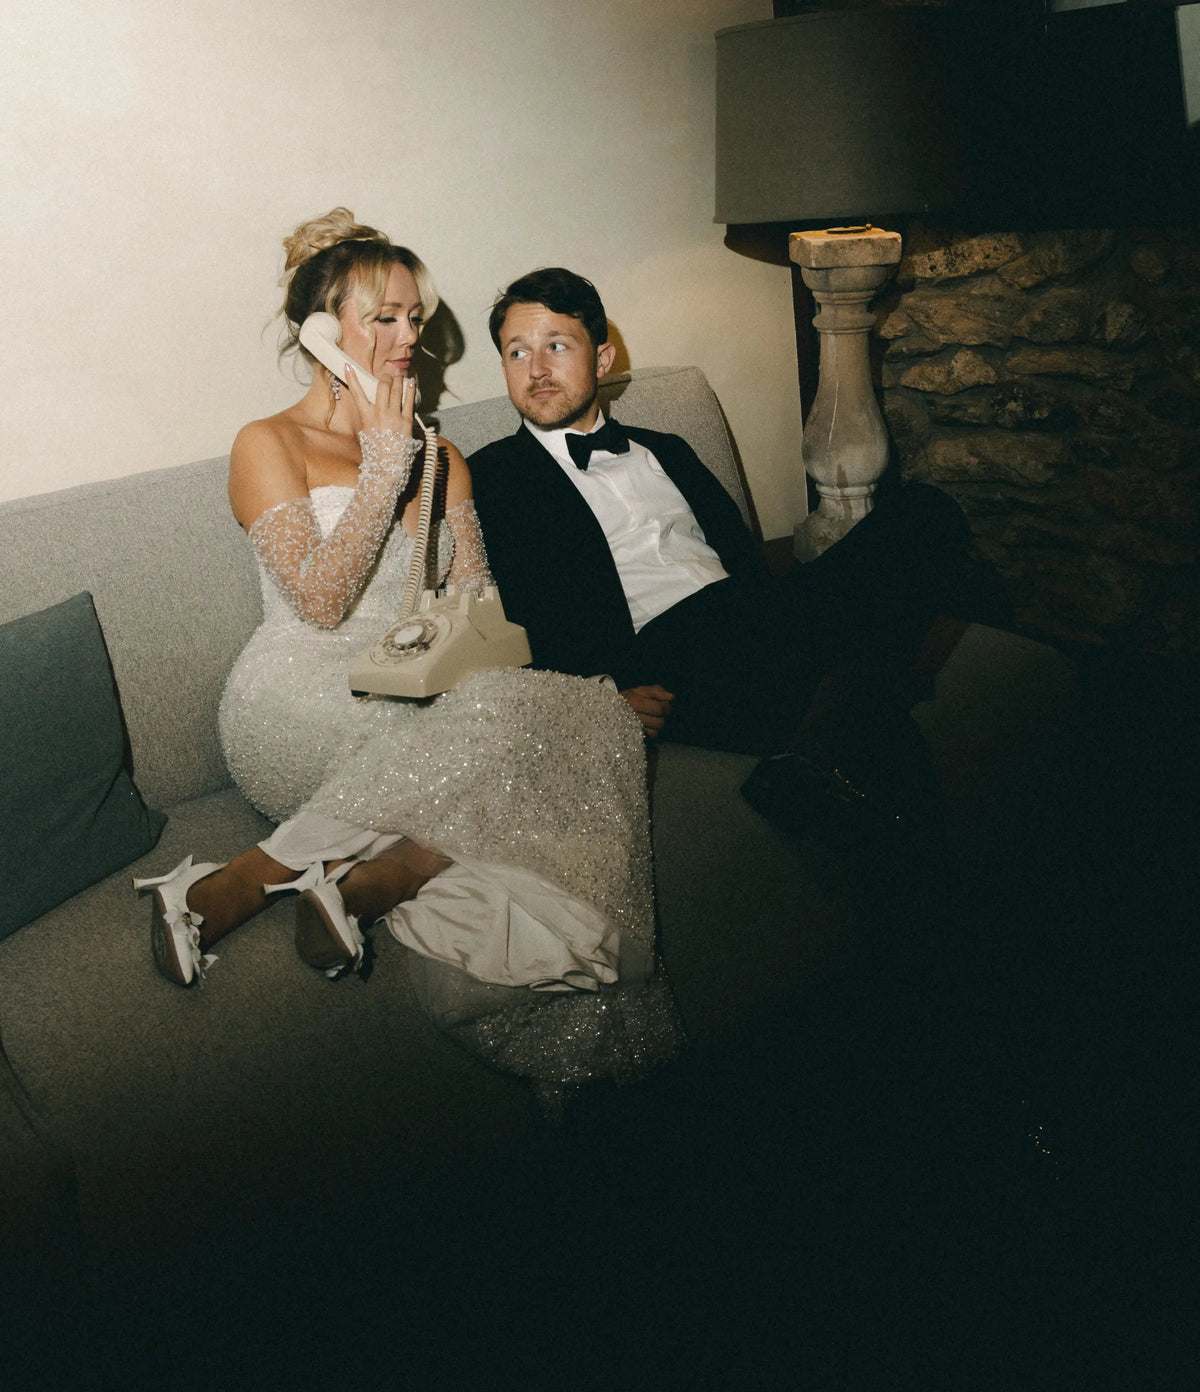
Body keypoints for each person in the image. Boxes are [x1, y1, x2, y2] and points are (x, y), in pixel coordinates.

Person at [134, 214, 681, 1091]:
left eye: (414, 317)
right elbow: (317, 601)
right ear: (323, 332)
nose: (408, 339)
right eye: (383, 317)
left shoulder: (446, 460)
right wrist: (384, 468)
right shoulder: (265, 444)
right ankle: (258, 876)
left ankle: (374, 877)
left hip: (407, 691)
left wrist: (559, 702)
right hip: (291, 694)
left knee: (570, 723)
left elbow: (478, 617)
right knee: (554, 727)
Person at [469, 267, 1001, 842]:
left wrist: (773, 604)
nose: (537, 370)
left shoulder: (667, 450)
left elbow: (741, 560)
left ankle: (821, 735)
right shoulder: (490, 479)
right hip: (660, 660)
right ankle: (850, 702)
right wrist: (598, 697)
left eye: (556, 346)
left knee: (925, 513)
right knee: (871, 702)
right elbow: (498, 614)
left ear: (601, 359)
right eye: (516, 353)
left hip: (753, 621)